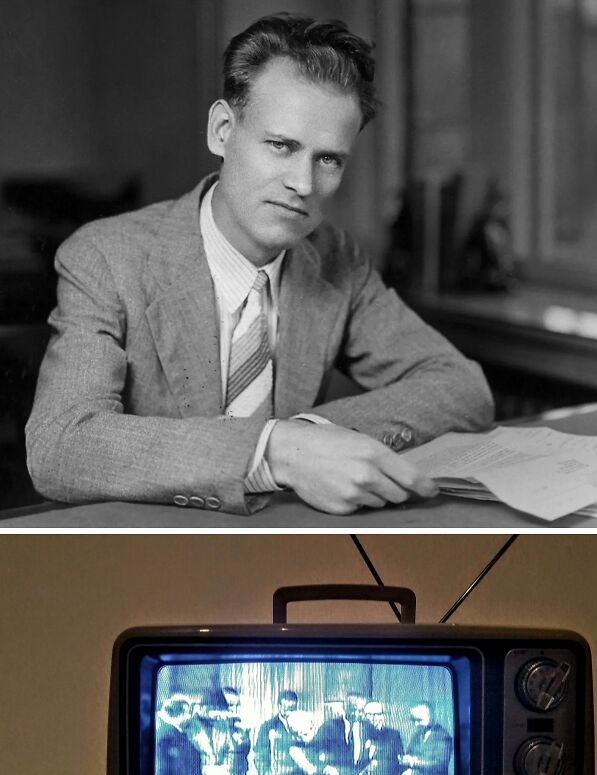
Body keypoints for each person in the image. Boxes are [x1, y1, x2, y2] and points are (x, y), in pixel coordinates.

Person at [25, 13, 493, 517]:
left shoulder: (336, 259)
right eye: (282, 146)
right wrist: (274, 450)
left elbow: (462, 388)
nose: (304, 184)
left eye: (329, 159)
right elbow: (59, 445)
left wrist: (310, 437)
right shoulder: (106, 256)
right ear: (223, 130)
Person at [253, 689, 299, 775]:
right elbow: (260, 756)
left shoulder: (302, 726)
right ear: (279, 706)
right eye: (286, 708)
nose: (289, 712)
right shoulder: (268, 727)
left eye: (293, 708)